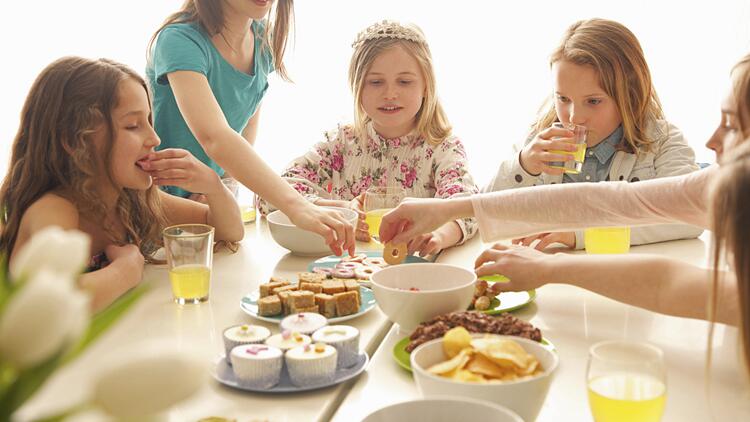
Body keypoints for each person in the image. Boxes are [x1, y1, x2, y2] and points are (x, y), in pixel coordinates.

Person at [379, 54, 750, 379]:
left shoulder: (668, 142)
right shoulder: (724, 181)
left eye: (732, 125)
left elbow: (670, 282)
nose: (712, 140)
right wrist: (451, 207)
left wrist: (554, 267)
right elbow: (609, 202)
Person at [0, 57, 244, 312]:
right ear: (74, 141)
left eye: (149, 121)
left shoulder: (132, 201)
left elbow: (229, 231)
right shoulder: (54, 209)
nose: (154, 138)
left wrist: (213, 186)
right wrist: (125, 271)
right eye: (132, 125)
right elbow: (45, 304)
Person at [147, 0, 354, 256]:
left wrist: (222, 191)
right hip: (157, 203)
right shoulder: (179, 39)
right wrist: (298, 206)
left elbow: (244, 127)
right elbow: (215, 137)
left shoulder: (262, 38)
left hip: (208, 204)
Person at [258, 20, 478, 256]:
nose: (390, 94)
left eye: (404, 82)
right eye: (375, 82)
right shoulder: (341, 142)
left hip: (415, 275)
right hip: (346, 270)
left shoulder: (442, 148)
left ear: (426, 86)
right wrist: (344, 212)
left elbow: (469, 208)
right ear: (357, 86)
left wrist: (439, 235)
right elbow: (270, 195)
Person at [484, 18, 702, 250]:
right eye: (563, 99)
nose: (574, 117)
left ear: (629, 95)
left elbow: (692, 215)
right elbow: (484, 215)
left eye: (593, 101)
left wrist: (581, 235)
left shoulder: (662, 141)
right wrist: (523, 165)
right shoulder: (541, 139)